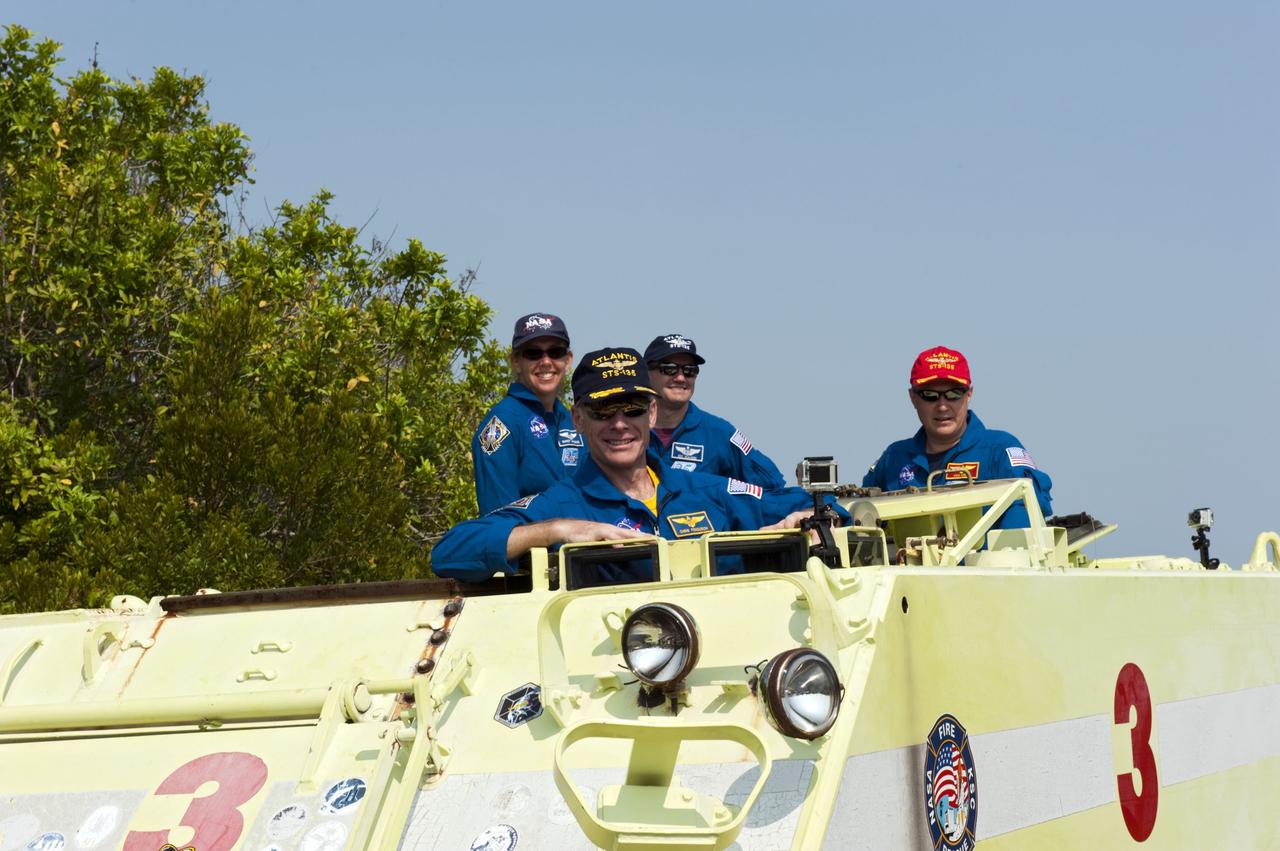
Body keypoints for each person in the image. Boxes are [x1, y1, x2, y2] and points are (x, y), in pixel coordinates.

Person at [435, 346, 844, 584]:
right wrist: (554, 532)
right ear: (577, 419)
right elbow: (451, 552)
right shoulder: (561, 505)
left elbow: (825, 509)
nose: (618, 424)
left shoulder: (703, 490)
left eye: (630, 409)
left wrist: (803, 521)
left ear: (650, 414)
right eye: (602, 411)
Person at [861, 345, 1052, 528]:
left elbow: (1028, 516)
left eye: (953, 394)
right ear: (913, 398)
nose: (943, 406)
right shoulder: (894, 458)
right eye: (930, 395)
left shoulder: (1000, 450)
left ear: (969, 394)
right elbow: (857, 516)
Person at [643, 333, 786, 490]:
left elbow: (774, 487)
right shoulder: (624, 429)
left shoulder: (719, 433)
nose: (681, 378)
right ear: (646, 373)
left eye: (689, 370)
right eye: (669, 369)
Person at [471, 312, 583, 514]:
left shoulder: (573, 420)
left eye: (555, 352)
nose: (546, 361)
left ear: (568, 360)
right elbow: (499, 517)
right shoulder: (502, 424)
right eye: (533, 353)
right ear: (515, 361)